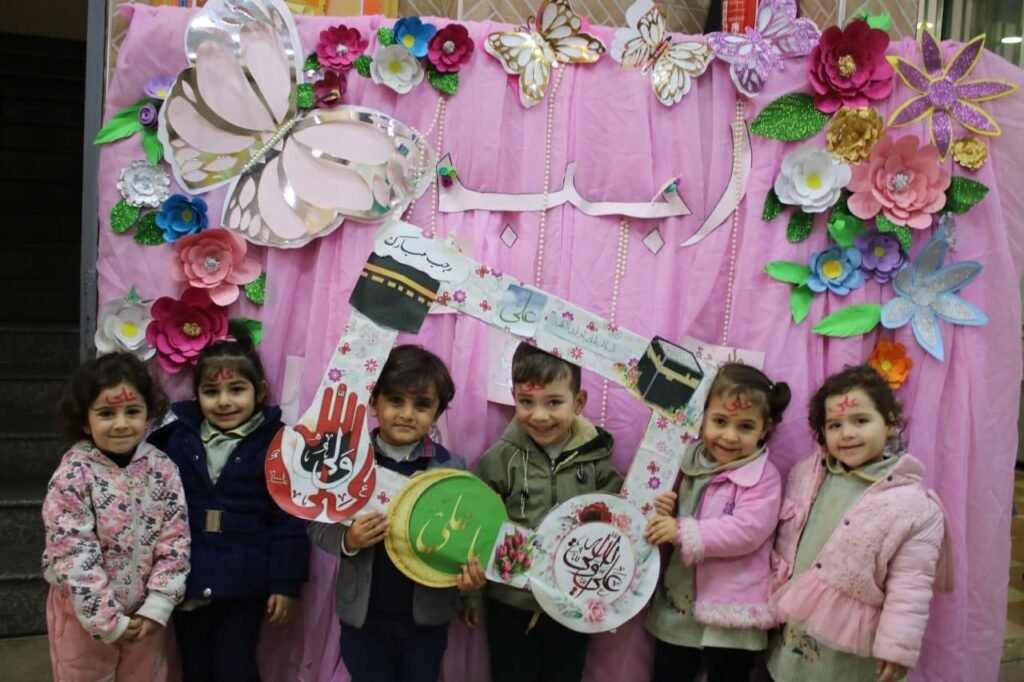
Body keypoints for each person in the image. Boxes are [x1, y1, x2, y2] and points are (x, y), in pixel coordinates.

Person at [307, 344, 484, 682]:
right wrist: (349, 539)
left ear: (437, 413)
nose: (407, 413)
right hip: (363, 618)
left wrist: (471, 592)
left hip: (427, 620)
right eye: (395, 400)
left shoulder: (451, 469)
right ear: (374, 403)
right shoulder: (347, 462)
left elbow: (469, 542)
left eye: (422, 405)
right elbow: (316, 524)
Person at [767, 365, 953, 682]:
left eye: (861, 421)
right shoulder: (807, 473)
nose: (847, 433)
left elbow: (910, 585)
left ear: (890, 423)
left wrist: (897, 647)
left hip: (848, 647)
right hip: (791, 630)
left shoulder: (912, 505)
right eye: (834, 425)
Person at [149, 326, 309, 682]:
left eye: (236, 389)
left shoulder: (278, 445)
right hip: (187, 577)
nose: (223, 402)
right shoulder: (175, 439)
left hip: (245, 583)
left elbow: (289, 519)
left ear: (260, 392)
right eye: (211, 391)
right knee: (195, 668)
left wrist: (285, 584)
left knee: (234, 667)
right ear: (196, 396)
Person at [476, 342, 623, 682]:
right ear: (514, 398)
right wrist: (470, 594)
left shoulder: (597, 462)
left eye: (554, 402)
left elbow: (622, 520)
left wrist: (653, 508)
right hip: (511, 603)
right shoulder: (500, 460)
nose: (539, 415)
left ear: (579, 402)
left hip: (573, 602)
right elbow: (476, 528)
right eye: (526, 401)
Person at [43, 352, 190, 682]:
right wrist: (107, 622)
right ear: (85, 420)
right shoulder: (73, 475)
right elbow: (73, 554)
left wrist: (159, 605)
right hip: (84, 618)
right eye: (107, 413)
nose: (121, 423)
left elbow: (175, 540)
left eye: (132, 411)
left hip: (145, 617)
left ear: (148, 414)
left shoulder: (163, 469)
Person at [643, 363, 791, 682]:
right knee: (669, 672)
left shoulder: (764, 477)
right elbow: (677, 512)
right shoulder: (687, 461)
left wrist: (681, 530)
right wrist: (667, 510)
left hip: (733, 613)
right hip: (681, 603)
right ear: (703, 416)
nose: (729, 436)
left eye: (745, 426)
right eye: (720, 421)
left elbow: (748, 531)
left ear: (765, 428)